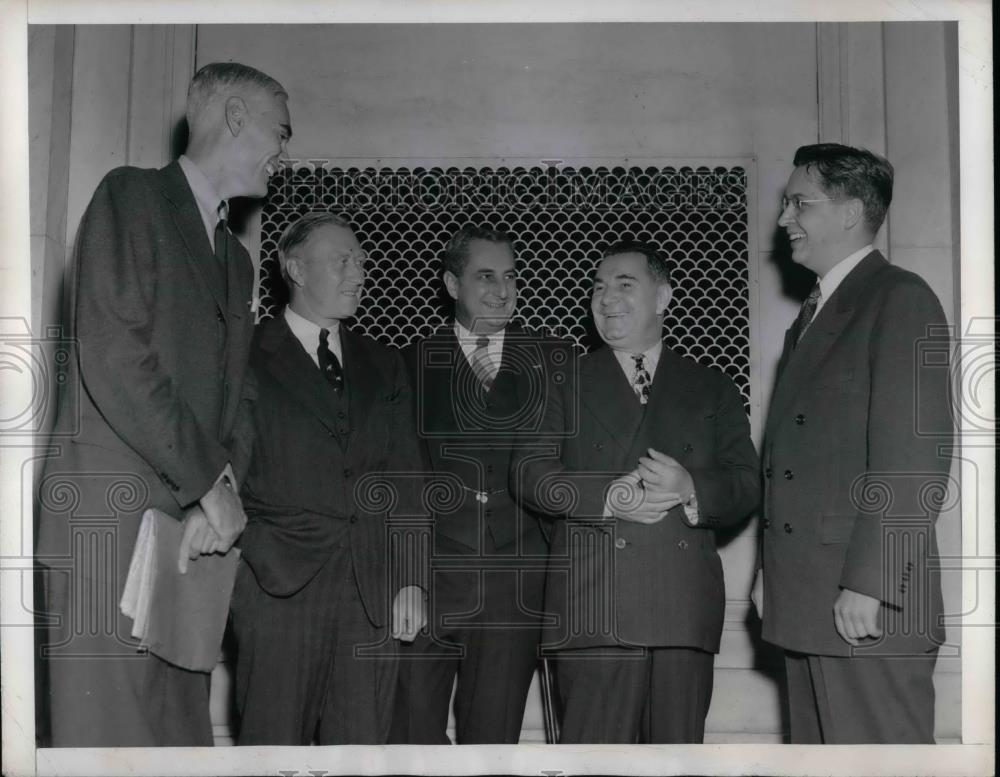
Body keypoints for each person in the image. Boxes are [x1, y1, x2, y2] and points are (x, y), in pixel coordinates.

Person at [35, 62, 291, 747]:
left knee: (179, 748)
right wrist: (211, 483)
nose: (283, 152)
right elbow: (116, 353)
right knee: (105, 744)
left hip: (189, 545)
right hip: (111, 533)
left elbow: (242, 396)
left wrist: (220, 493)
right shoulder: (132, 197)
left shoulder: (235, 260)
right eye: (280, 130)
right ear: (235, 116)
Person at [514, 240, 760, 743]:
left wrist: (690, 487)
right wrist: (610, 495)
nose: (607, 299)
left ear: (663, 297)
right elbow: (529, 474)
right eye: (598, 288)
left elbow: (746, 483)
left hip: (682, 612)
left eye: (625, 285)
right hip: (595, 609)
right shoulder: (560, 380)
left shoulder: (710, 386)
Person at [752, 143, 952, 744]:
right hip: (810, 601)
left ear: (850, 212)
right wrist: (774, 573)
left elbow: (914, 459)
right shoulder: (815, 314)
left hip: (865, 605)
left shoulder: (899, 297)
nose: (784, 218)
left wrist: (870, 581)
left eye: (799, 203)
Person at [229, 212, 427, 745]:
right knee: (270, 747)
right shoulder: (245, 352)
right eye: (343, 260)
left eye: (361, 261)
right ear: (294, 267)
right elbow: (225, 465)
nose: (359, 272)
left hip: (371, 591)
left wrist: (410, 577)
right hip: (277, 587)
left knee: (362, 750)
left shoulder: (384, 363)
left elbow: (405, 475)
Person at [389, 224, 569, 744]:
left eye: (510, 276)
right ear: (451, 284)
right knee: (408, 739)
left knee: (492, 745)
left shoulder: (555, 363)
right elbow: (400, 480)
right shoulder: (406, 365)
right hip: (427, 583)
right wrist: (407, 576)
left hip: (516, 593)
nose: (502, 290)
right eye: (485, 276)